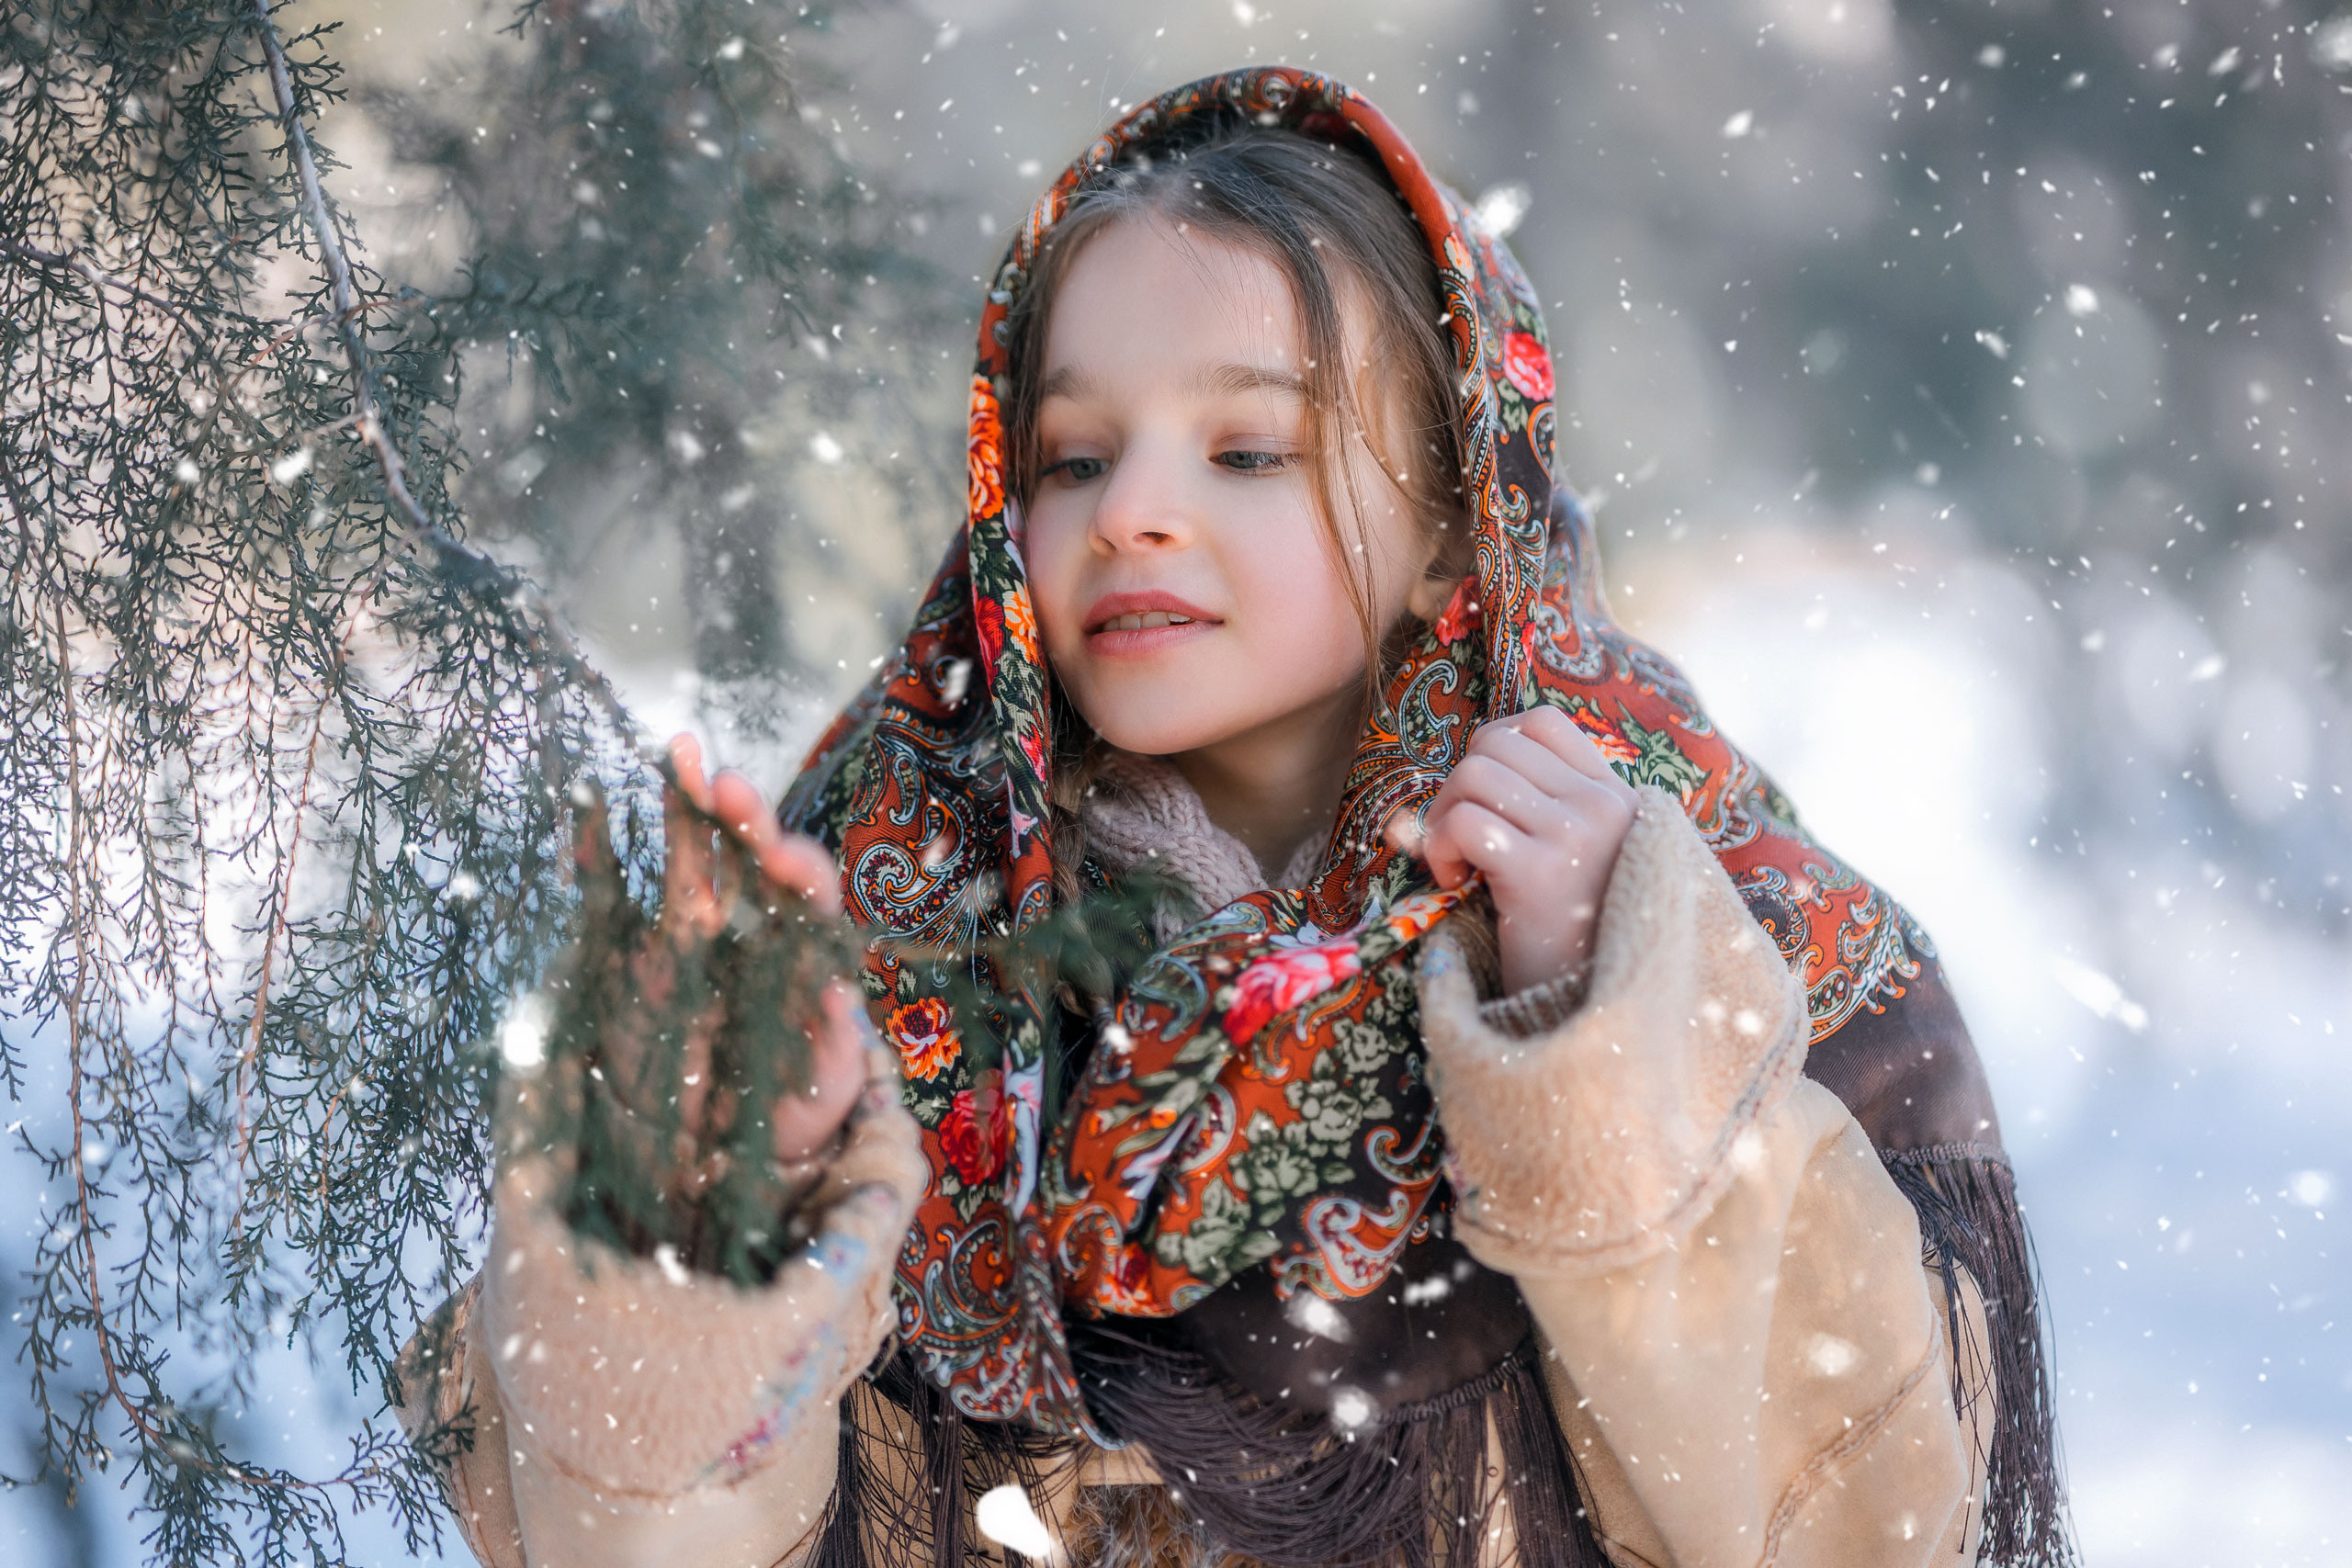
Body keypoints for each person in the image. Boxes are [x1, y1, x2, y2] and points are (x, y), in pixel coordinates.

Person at [393, 67, 2069, 1568]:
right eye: (1068, 458)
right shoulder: (888, 921)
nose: (1133, 510)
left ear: (1453, 525)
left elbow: (1856, 1530)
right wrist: (713, 1204)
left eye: (1248, 449)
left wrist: (1604, 1051)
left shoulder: (1686, 913)